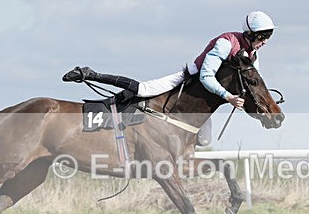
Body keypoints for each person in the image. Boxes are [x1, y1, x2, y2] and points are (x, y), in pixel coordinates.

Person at [62, 11, 276, 145]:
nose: (265, 41)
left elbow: (252, 85)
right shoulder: (226, 43)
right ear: (250, 33)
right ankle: (91, 74)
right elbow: (206, 75)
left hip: (203, 98)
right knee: (142, 90)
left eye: (268, 37)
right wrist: (227, 96)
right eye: (263, 36)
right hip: (190, 79)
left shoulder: (252, 55)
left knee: (203, 140)